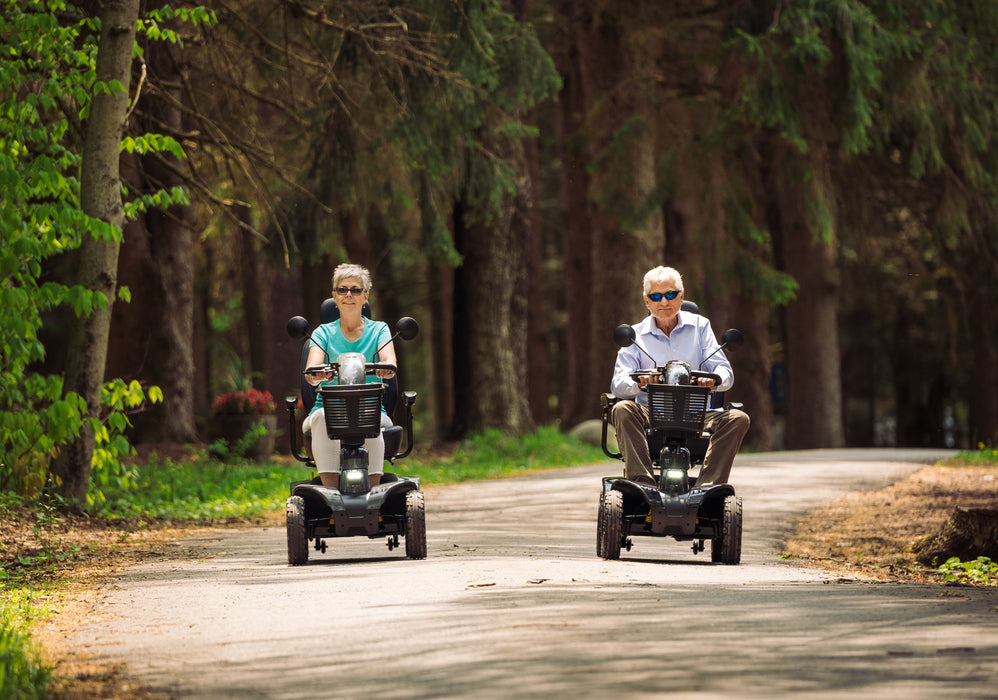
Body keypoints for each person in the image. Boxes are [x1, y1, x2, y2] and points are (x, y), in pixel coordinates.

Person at [610, 266, 749, 487]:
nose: (663, 301)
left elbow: (726, 373)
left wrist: (714, 380)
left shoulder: (700, 326)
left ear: (681, 296)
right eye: (656, 296)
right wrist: (639, 382)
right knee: (622, 408)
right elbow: (618, 385)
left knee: (738, 418)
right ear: (647, 301)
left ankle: (708, 487)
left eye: (670, 294)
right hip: (651, 412)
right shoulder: (635, 335)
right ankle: (643, 483)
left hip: (697, 411)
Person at [303, 263, 397, 489]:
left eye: (355, 290)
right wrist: (318, 374)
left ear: (365, 296)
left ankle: (373, 496)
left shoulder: (379, 330)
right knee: (322, 418)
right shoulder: (322, 333)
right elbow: (311, 370)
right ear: (334, 296)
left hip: (370, 407)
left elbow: (390, 361)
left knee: (370, 417)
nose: (348, 295)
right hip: (328, 409)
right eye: (342, 289)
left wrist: (385, 368)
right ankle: (331, 494)